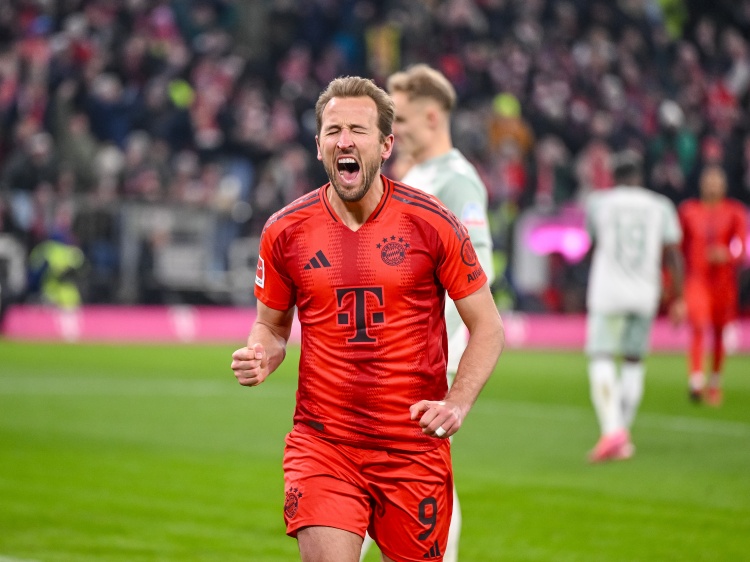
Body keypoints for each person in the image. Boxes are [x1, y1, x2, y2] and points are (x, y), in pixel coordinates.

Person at [230, 76, 505, 562]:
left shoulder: (433, 222)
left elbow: (488, 325)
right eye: (333, 130)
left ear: (385, 144)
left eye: (358, 129)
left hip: (412, 448)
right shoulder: (285, 231)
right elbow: (271, 326)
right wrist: (262, 354)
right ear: (318, 145)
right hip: (324, 444)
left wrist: (457, 403)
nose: (345, 141)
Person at [359, 63, 495, 562]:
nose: (393, 129)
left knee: (419, 473)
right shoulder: (416, 176)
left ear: (433, 117)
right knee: (388, 470)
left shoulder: (457, 182)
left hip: (428, 358)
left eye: (402, 119)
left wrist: (440, 351)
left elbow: (478, 274)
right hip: (393, 353)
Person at [584, 149, 685, 463]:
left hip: (608, 291)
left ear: (614, 177)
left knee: (601, 355)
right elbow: (674, 254)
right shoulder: (661, 205)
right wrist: (678, 297)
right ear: (640, 176)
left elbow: (592, 242)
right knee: (633, 360)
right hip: (645, 291)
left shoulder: (599, 202)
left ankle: (612, 430)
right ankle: (622, 433)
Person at [678, 165, 747, 405]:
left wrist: (727, 255)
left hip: (723, 282)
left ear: (724, 185)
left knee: (719, 333)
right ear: (701, 184)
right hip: (697, 279)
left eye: (716, 182)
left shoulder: (735, 212)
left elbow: (741, 248)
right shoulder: (689, 211)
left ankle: (715, 383)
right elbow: (680, 249)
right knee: (698, 324)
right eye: (708, 181)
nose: (712, 186)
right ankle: (696, 381)